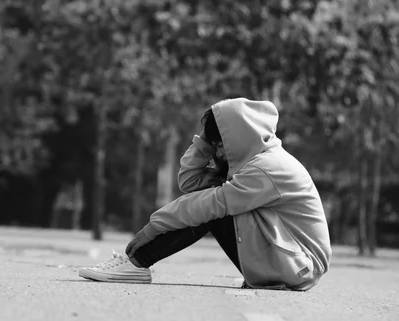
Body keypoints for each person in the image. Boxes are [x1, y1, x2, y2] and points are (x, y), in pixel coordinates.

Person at [79, 98, 332, 291]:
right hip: (290, 260)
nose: (218, 154)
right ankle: (135, 263)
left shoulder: (268, 168)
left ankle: (136, 263)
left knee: (211, 209)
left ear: (241, 138)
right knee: (210, 202)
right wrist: (204, 141)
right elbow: (190, 182)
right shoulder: (251, 160)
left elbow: (209, 203)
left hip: (299, 266)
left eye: (220, 145)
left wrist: (153, 227)